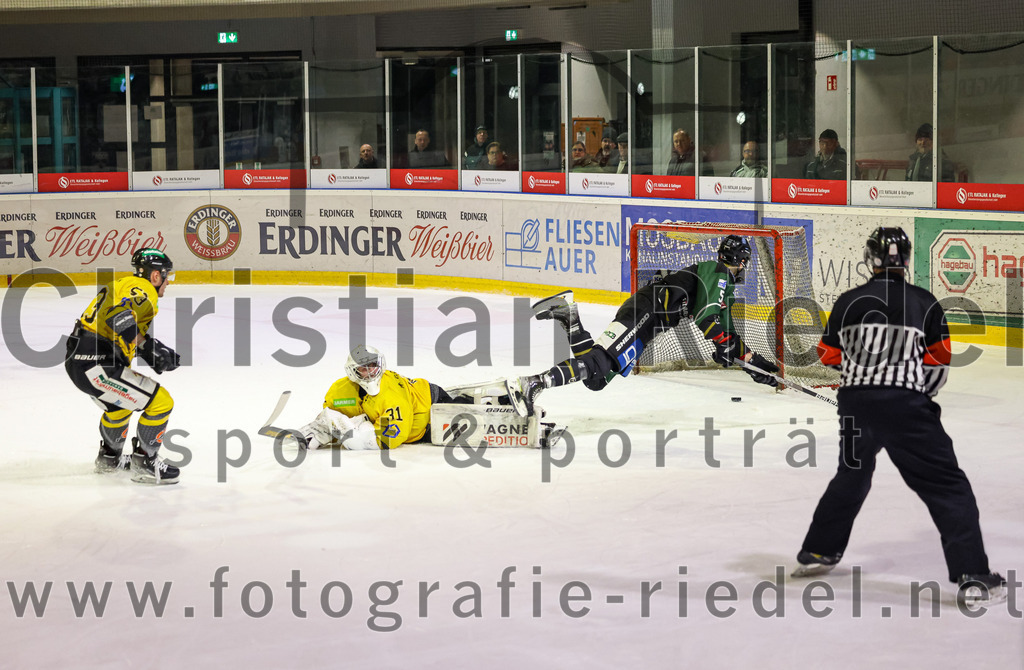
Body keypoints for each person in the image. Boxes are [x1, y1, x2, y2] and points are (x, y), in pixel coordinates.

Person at [793, 227, 1005, 607]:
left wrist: (861, 377)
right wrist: (917, 395)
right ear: (906, 260)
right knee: (947, 486)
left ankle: (818, 551)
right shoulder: (925, 302)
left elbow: (828, 354)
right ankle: (973, 575)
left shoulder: (848, 301)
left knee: (852, 476)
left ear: (871, 259)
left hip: (856, 407)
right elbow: (938, 362)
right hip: (908, 408)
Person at [509, 235, 779, 417]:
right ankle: (535, 382)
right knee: (599, 363)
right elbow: (706, 320)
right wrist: (724, 345)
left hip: (649, 324)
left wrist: (751, 362)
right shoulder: (718, 274)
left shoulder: (723, 288)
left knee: (598, 379)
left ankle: (569, 318)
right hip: (645, 312)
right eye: (745, 262)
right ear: (741, 260)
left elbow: (725, 332)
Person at [64, 248, 182, 484]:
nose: (168, 281)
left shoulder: (123, 285)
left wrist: (152, 350)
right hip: (97, 364)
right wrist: (148, 347)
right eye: (166, 275)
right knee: (161, 402)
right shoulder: (143, 288)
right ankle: (146, 464)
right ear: (155, 275)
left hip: (82, 360)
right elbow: (116, 315)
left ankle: (109, 459)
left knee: (120, 407)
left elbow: (117, 330)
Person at [297, 345, 516, 450]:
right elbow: (332, 414)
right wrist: (321, 431)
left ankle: (507, 403)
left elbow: (390, 439)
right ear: (353, 372)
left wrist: (349, 433)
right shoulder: (340, 391)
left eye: (373, 365)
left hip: (432, 407)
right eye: (364, 368)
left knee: (472, 414)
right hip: (420, 411)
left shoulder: (390, 394)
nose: (370, 372)